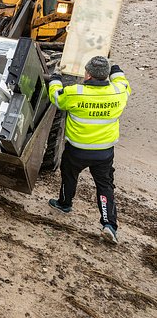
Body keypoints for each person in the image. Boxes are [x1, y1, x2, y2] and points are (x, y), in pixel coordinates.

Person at [47, 56, 131, 244]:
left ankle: (64, 203)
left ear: (88, 75)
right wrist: (115, 67)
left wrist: (55, 79)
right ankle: (109, 224)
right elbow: (122, 81)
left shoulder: (75, 92)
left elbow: (57, 98)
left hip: (77, 149)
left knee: (69, 175)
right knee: (105, 185)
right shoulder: (118, 92)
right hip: (104, 152)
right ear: (106, 75)